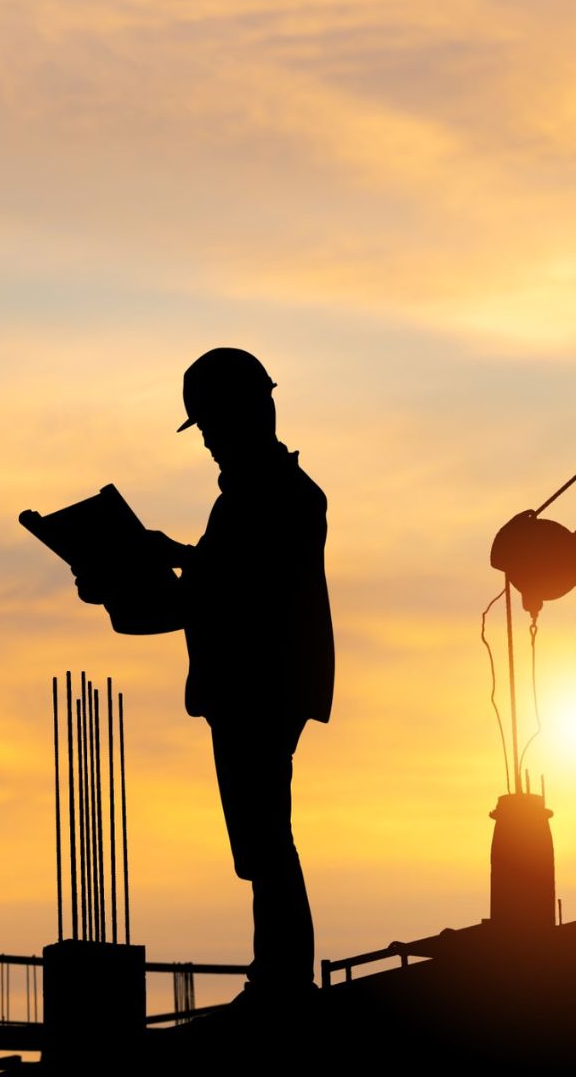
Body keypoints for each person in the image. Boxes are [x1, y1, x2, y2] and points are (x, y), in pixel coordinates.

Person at [73, 347, 333, 1004]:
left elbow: (227, 593)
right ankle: (277, 972)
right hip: (252, 682)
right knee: (259, 835)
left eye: (213, 425)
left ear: (249, 413)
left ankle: (282, 976)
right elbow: (215, 587)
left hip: (260, 684)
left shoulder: (277, 495)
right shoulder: (257, 496)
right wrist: (131, 580)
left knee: (265, 833)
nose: (210, 442)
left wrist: (141, 575)